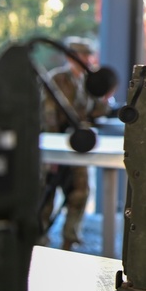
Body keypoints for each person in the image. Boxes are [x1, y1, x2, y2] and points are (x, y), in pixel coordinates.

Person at [38, 36, 113, 250]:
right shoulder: (57, 79)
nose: (86, 60)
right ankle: (39, 239)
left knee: (80, 190)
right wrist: (53, 149)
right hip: (57, 142)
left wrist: (105, 100)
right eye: (82, 55)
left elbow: (96, 110)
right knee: (47, 192)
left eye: (88, 55)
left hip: (78, 143)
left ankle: (70, 237)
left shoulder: (88, 82)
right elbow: (48, 115)